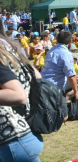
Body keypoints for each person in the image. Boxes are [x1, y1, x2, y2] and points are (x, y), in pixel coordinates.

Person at [0, 23, 44, 161]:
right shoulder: (9, 45)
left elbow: (18, 95)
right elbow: (37, 77)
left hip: (10, 139)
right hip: (26, 132)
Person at [41, 31, 78, 100]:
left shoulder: (52, 49)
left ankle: (65, 97)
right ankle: (65, 97)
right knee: (76, 81)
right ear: (70, 41)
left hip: (43, 81)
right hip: (55, 85)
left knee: (74, 77)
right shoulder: (66, 54)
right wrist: (76, 92)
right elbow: (71, 76)